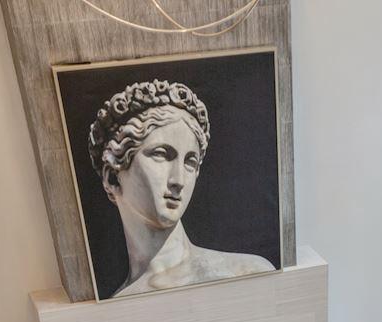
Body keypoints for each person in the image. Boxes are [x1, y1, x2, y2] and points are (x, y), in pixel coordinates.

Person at [87, 78, 275, 297]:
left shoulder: (248, 272)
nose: (179, 180)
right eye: (161, 154)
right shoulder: (119, 306)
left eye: (190, 162)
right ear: (113, 178)